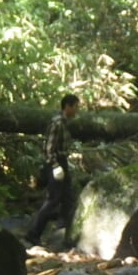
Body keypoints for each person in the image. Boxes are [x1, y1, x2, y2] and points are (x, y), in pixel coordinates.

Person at [25, 93, 80, 246]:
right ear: (67, 106)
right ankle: (33, 234)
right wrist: (55, 165)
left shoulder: (64, 122)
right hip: (56, 164)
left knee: (68, 197)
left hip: (63, 162)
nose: (77, 110)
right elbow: (48, 148)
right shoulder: (57, 123)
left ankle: (64, 231)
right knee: (53, 200)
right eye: (75, 107)